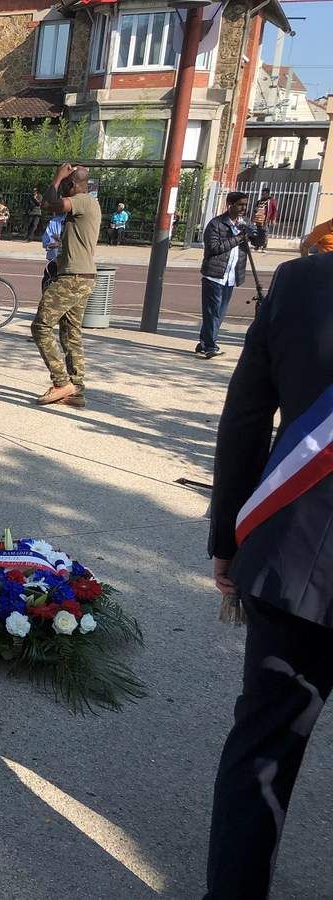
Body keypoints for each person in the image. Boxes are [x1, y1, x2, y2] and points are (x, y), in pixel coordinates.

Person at [204, 250, 333, 900]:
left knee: (265, 746)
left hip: (294, 557)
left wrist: (227, 537)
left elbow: (247, 419)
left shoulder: (303, 282)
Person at [31, 163, 101, 408]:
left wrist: (57, 178)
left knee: (40, 326)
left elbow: (48, 204)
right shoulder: (84, 204)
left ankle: (62, 383)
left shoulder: (84, 201)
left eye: (66, 185)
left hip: (73, 278)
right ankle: (76, 389)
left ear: (72, 185)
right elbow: (51, 207)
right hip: (81, 277)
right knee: (70, 333)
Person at [198, 192, 259, 360]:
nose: (243, 208)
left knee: (220, 313)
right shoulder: (216, 224)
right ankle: (210, 346)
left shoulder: (244, 224)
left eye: (245, 205)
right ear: (229, 204)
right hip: (214, 275)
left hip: (231, 276)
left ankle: (204, 342)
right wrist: (239, 238)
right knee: (213, 313)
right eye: (240, 204)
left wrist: (257, 232)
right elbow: (214, 248)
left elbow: (256, 243)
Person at [41, 212, 65, 293]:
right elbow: (45, 242)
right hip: (55, 262)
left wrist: (60, 242)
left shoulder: (77, 224)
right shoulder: (55, 222)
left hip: (69, 265)